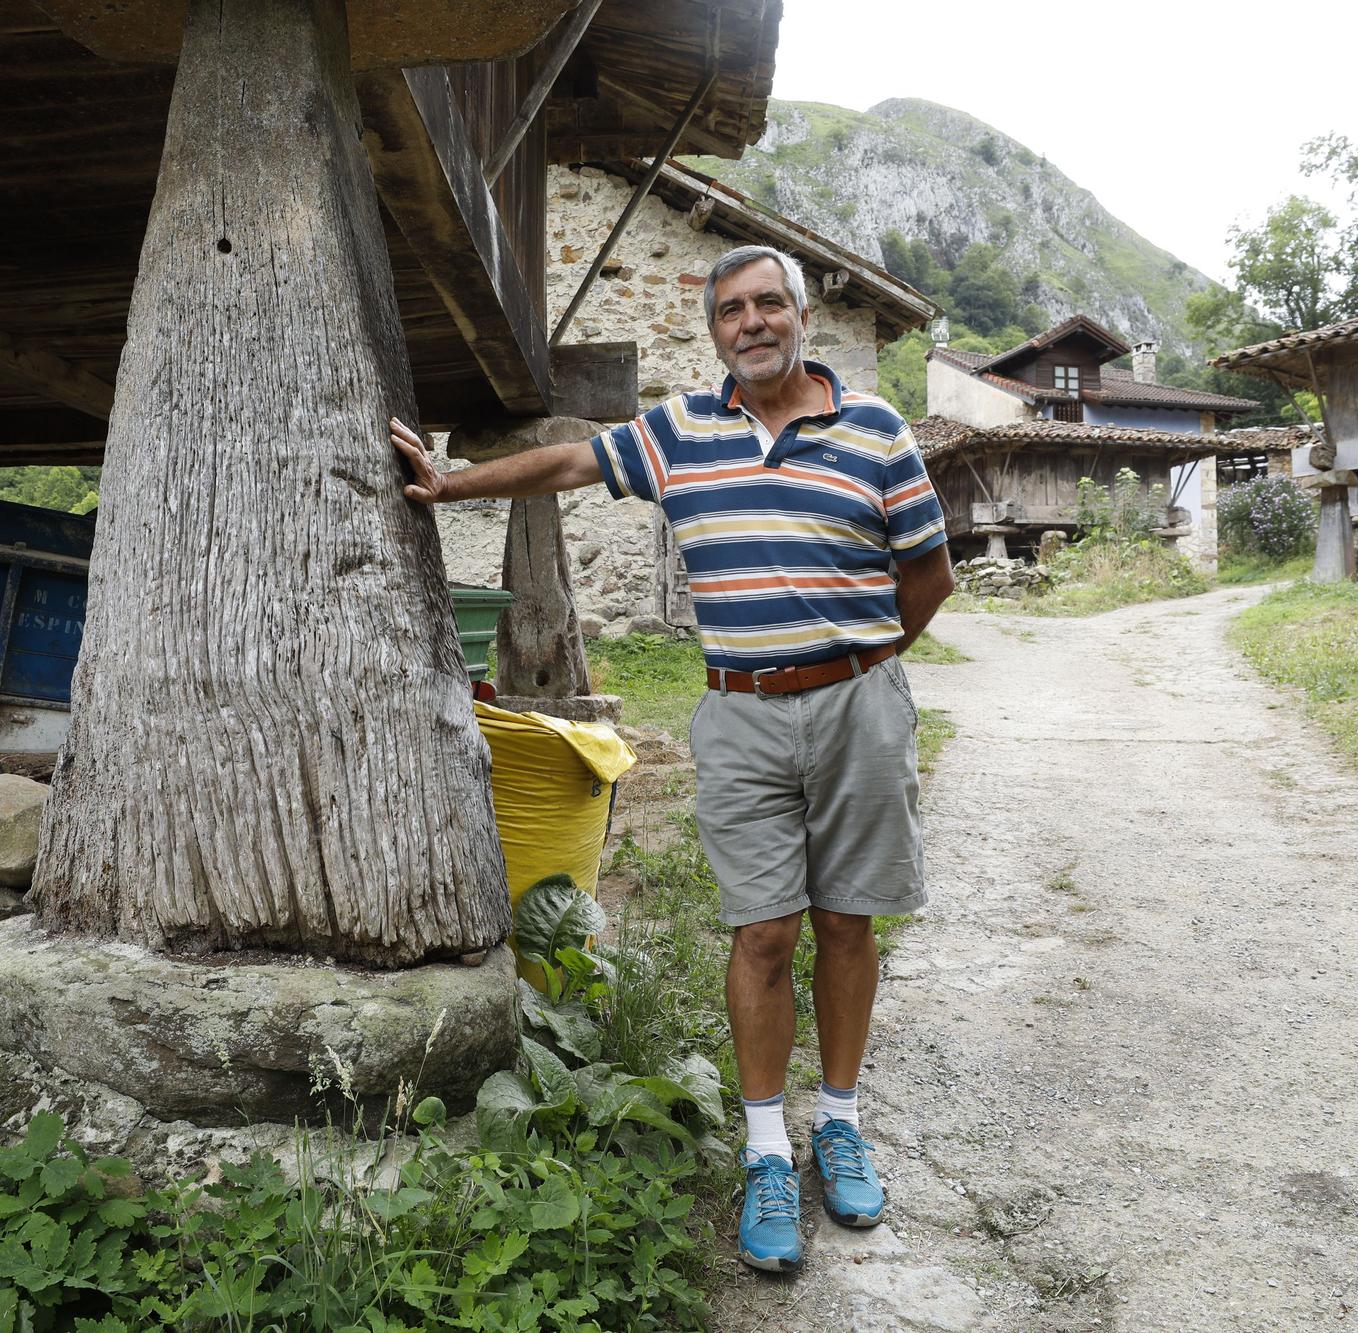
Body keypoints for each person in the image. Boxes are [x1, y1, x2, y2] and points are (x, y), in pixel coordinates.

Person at [390, 243, 954, 1273]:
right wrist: (451, 482)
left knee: (845, 918)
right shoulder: (679, 433)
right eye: (731, 309)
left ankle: (838, 1118)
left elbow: (928, 572)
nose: (751, 322)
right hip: (738, 717)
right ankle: (768, 1150)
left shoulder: (875, 429)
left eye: (768, 303)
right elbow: (567, 462)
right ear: (713, 332)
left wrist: (862, 663)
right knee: (764, 933)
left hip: (858, 706)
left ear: (800, 315)